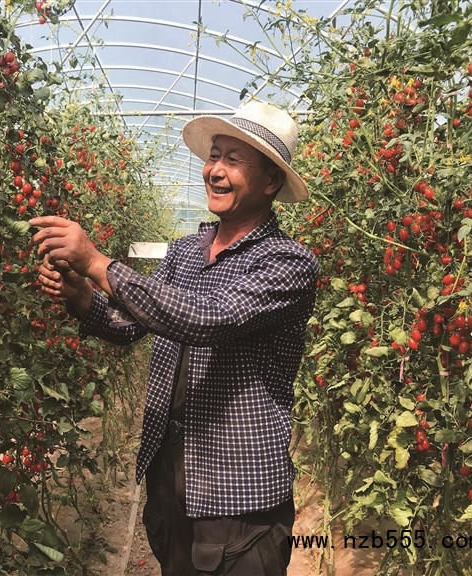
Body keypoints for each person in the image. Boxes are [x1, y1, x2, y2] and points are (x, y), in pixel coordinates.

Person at [30, 100, 319, 575]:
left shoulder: (287, 262)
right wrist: (82, 295)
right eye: (214, 155)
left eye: (233, 160)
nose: (215, 170)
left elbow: (207, 318)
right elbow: (131, 326)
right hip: (171, 470)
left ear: (271, 181)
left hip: (236, 491)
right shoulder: (185, 252)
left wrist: (99, 264)